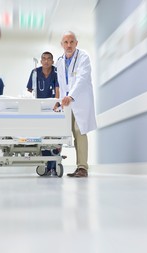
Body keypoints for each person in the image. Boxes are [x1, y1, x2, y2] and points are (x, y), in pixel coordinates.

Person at [56, 31, 97, 177]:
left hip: (80, 101)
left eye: (71, 42)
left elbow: (82, 78)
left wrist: (71, 96)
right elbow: (61, 84)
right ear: (62, 45)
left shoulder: (83, 57)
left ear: (76, 43)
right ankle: (54, 164)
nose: (69, 45)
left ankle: (82, 168)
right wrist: (59, 103)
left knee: (79, 132)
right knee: (61, 132)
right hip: (66, 103)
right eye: (66, 42)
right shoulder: (59, 61)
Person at [27, 51, 61, 176]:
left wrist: (56, 104)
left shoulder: (56, 72)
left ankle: (53, 166)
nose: (46, 61)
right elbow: (30, 90)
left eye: (49, 59)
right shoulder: (35, 72)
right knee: (43, 137)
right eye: (44, 59)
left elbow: (58, 89)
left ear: (52, 61)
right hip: (38, 109)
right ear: (41, 61)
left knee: (54, 136)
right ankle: (46, 165)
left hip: (53, 108)